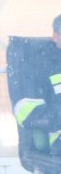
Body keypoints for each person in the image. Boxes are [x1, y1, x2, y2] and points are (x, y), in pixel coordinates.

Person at [13, 13, 61, 156]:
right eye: (55, 33)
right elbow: (23, 108)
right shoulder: (43, 63)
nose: (53, 38)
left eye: (57, 33)